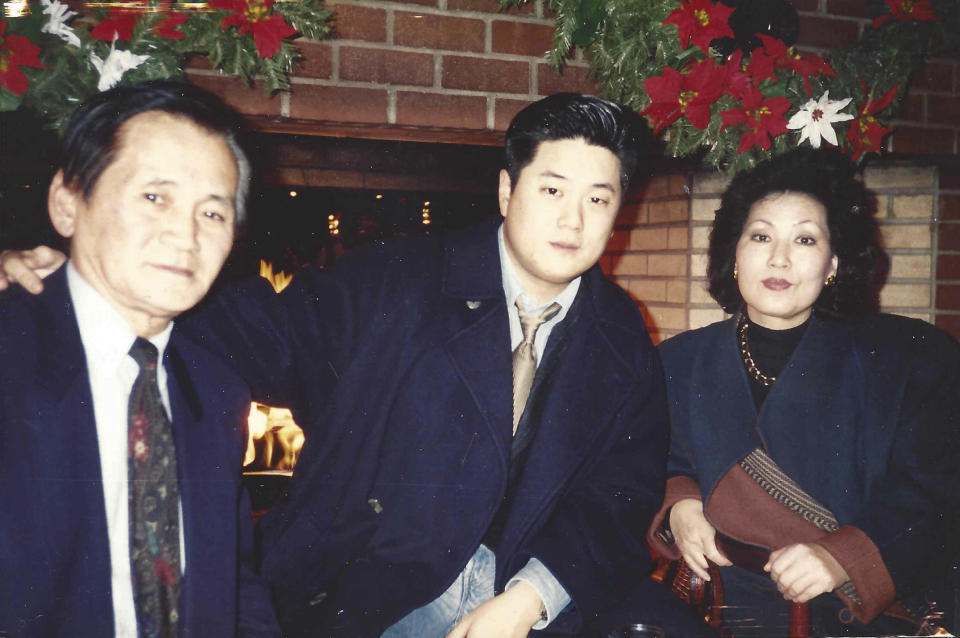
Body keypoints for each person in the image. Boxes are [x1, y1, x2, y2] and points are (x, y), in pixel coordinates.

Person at [0, 93, 708, 638]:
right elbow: (232, 329)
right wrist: (80, 289)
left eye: (598, 199)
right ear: (506, 191)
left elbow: (618, 495)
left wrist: (528, 600)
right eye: (552, 190)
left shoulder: (618, 331)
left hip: (523, 589)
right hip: (368, 593)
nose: (572, 220)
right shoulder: (398, 278)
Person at [0, 80, 280, 637]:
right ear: (67, 203)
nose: (184, 236)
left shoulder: (217, 385)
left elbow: (231, 579)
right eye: (156, 197)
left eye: (213, 214)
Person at [647, 148, 960, 636]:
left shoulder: (909, 358)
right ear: (735, 253)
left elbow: (939, 491)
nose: (779, 257)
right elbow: (647, 460)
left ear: (833, 263)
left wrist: (846, 557)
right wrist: (679, 503)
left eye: (805, 239)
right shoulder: (678, 360)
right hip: (726, 612)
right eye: (761, 235)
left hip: (856, 616)